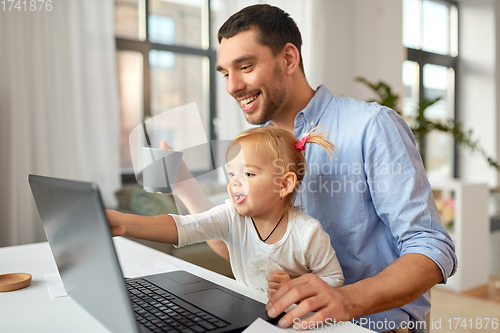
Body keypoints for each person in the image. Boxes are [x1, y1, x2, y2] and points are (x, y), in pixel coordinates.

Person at [172, 4, 457, 333]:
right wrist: (184, 185)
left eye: (245, 66)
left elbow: (433, 248)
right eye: (225, 73)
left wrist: (346, 300)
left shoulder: (371, 126)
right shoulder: (255, 147)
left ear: (289, 59)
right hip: (292, 323)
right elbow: (242, 244)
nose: (232, 86)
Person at [108, 127, 345, 298]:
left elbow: (335, 280)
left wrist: (296, 286)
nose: (235, 183)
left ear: (283, 185)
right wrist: (125, 223)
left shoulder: (307, 233)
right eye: (232, 175)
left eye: (249, 174)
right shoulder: (231, 216)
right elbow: (184, 227)